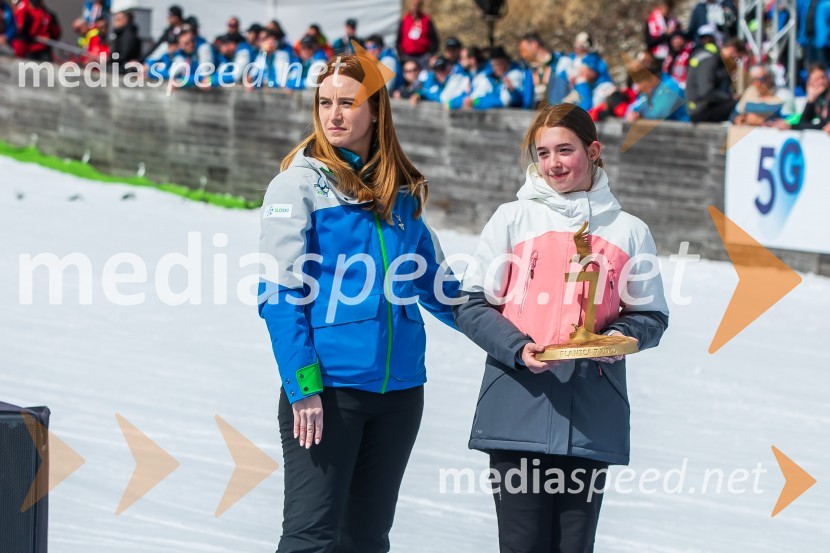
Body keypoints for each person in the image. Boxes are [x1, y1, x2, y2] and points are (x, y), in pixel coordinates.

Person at [258, 53, 459, 553]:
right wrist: (303, 385)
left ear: (376, 111)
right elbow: (279, 296)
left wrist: (515, 328)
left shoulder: (400, 193)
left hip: (399, 394)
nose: (334, 115)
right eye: (325, 103)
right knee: (310, 538)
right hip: (328, 394)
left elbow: (440, 287)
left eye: (347, 103)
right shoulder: (297, 185)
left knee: (367, 539)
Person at [454, 103, 669, 553]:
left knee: (574, 546)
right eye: (543, 152)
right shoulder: (511, 219)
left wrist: (619, 339)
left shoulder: (629, 231)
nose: (553, 163)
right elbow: (473, 305)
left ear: (593, 150)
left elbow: (651, 315)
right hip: (518, 404)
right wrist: (516, 347)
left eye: (565, 150)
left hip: (590, 413)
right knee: (522, 544)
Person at [685, 26, 743, 122]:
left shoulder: (707, 56)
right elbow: (706, 92)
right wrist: (729, 97)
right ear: (732, 50)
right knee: (740, 104)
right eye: (737, 59)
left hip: (700, 107)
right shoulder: (709, 59)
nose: (735, 62)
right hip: (700, 110)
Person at [468, 46, 534, 109]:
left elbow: (504, 101)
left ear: (504, 63)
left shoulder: (514, 75)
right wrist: (475, 101)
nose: (494, 69)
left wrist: (475, 102)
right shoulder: (499, 76)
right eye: (493, 66)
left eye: (496, 65)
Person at [627, 58, 689, 122]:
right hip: (665, 129)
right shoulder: (648, 89)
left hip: (685, 129)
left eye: (639, 81)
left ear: (652, 77)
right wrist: (631, 112)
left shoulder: (670, 86)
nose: (637, 87)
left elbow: (657, 115)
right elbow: (635, 106)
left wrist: (639, 115)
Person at [784, 63, 830, 132]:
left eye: (823, 77)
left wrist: (792, 126)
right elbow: (803, 122)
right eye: (817, 79)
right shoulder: (819, 99)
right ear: (810, 83)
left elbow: (823, 125)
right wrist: (810, 100)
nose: (821, 81)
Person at [519, 33, 561, 107]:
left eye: (524, 50)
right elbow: (527, 100)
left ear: (534, 45)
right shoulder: (530, 70)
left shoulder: (559, 62)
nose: (523, 54)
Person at [396, 0, 438, 65]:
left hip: (423, 57)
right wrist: (401, 54)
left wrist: (431, 54)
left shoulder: (426, 20)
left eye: (418, 5)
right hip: (407, 56)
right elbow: (399, 39)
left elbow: (434, 39)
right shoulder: (404, 20)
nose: (415, 7)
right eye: (413, 5)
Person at [798, 0, 830, 69]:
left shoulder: (826, 3)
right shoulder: (807, 2)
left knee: (823, 68)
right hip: (809, 41)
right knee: (811, 67)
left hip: (824, 43)